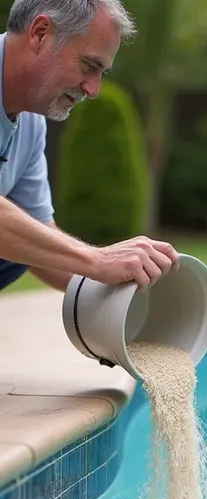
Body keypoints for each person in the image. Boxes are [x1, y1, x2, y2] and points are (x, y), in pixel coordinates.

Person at [0, 0, 179, 293]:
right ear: (41, 33)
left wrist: (128, 292)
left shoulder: (31, 124)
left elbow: (38, 239)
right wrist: (95, 259)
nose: (93, 90)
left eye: (101, 73)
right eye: (89, 65)